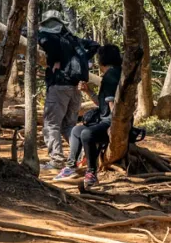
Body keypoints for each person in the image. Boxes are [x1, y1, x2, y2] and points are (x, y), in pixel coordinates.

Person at [55, 43, 122, 187]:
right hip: (108, 120)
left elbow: (111, 104)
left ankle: (92, 173)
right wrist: (88, 91)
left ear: (102, 60)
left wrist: (115, 127)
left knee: (86, 133)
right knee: (75, 130)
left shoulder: (111, 75)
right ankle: (71, 166)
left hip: (113, 122)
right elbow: (102, 104)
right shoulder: (116, 73)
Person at [38, 11, 96, 165]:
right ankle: (82, 154)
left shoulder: (48, 36)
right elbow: (94, 45)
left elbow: (44, 41)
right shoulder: (73, 39)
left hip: (59, 86)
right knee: (68, 125)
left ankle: (56, 160)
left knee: (52, 124)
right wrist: (80, 59)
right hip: (76, 87)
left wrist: (56, 59)